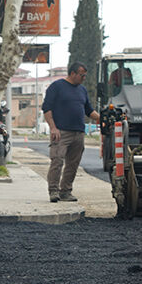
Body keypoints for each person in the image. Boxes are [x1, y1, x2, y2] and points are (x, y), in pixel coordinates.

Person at [42, 61, 97, 203]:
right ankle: (53, 191)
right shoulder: (57, 87)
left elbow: (89, 111)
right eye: (82, 75)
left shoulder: (82, 90)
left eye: (85, 75)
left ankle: (66, 191)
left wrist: (103, 119)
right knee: (57, 161)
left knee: (73, 164)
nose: (84, 78)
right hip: (61, 132)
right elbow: (47, 108)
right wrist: (53, 128)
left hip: (78, 133)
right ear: (73, 73)